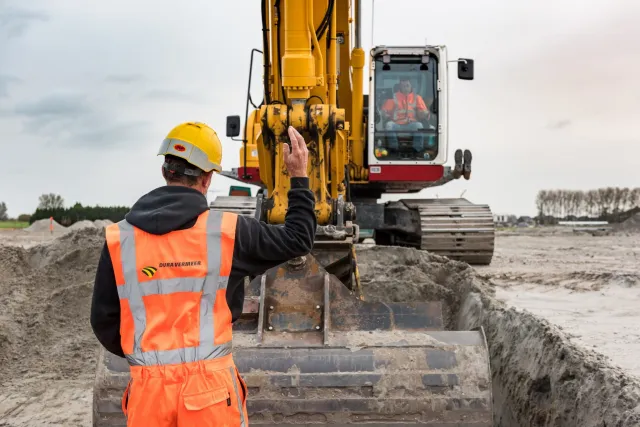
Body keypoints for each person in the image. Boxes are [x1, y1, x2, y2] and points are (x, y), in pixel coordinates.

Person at [90, 121, 316, 426]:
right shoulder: (228, 232)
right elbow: (298, 239)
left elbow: (103, 320)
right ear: (208, 179)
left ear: (165, 171)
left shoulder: (120, 238)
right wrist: (299, 177)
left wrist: (149, 359)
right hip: (211, 396)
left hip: (148, 396)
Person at [380, 77, 433, 158]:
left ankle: (417, 151)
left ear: (411, 86)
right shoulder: (393, 97)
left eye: (407, 85)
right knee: (388, 125)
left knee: (419, 126)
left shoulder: (417, 98)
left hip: (412, 124)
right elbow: (384, 111)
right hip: (396, 124)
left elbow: (423, 111)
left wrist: (424, 113)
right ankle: (394, 149)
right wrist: (384, 114)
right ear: (400, 87)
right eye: (403, 86)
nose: (405, 87)